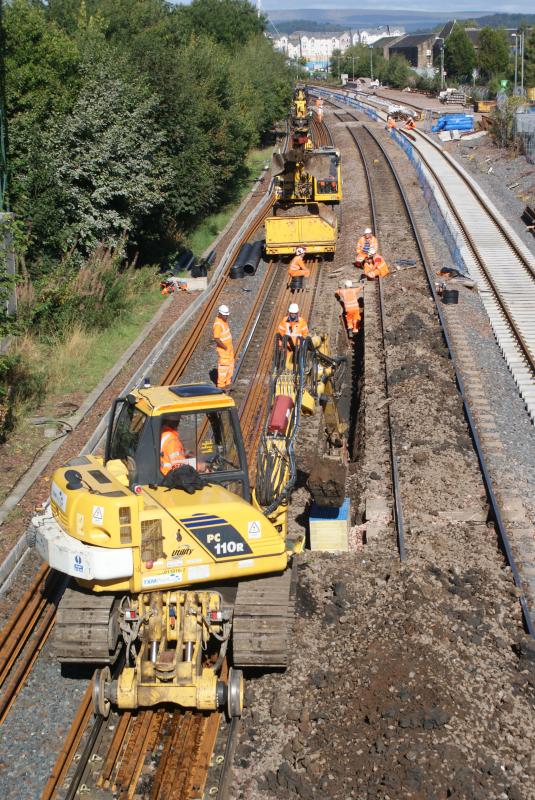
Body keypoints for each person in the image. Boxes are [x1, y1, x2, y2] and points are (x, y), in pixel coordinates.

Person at [213, 305, 234, 390]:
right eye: (225, 315)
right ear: (220, 314)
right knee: (224, 367)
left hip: (229, 348)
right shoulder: (218, 324)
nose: (226, 316)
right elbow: (216, 338)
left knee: (230, 365)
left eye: (227, 315)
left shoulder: (223, 321)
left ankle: (228, 382)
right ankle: (221, 385)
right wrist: (225, 347)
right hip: (224, 349)